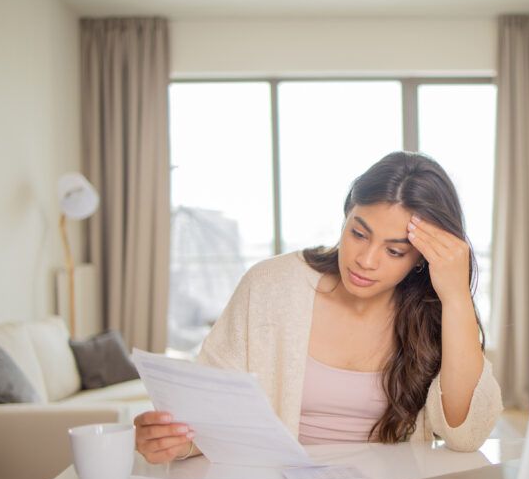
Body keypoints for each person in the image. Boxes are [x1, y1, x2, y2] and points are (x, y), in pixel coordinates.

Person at [135, 151, 503, 463]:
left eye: (394, 251)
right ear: (345, 217)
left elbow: (466, 436)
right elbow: (211, 413)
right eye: (358, 233)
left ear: (420, 259)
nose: (366, 260)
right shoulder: (270, 285)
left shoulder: (435, 309)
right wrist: (176, 440)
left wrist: (455, 297)